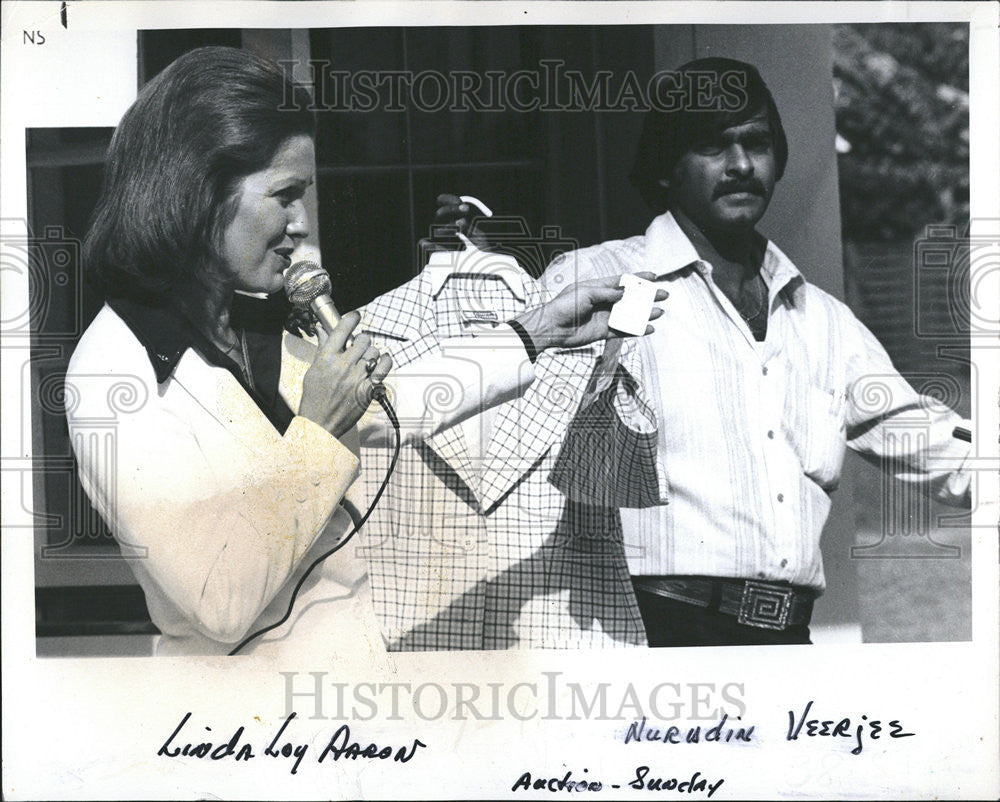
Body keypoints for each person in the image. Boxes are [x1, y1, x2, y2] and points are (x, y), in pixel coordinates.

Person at [64, 46, 660, 657]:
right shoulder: (113, 369)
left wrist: (537, 331)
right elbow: (220, 599)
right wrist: (319, 429)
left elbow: (389, 401)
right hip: (244, 722)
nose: (301, 224)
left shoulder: (247, 326)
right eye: (285, 194)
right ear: (199, 190)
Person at [539, 57, 973, 647]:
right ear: (666, 167)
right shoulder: (606, 283)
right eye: (713, 146)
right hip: (646, 635)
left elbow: (927, 440)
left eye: (757, 144)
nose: (741, 165)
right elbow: (519, 444)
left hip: (787, 639)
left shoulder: (820, 320)